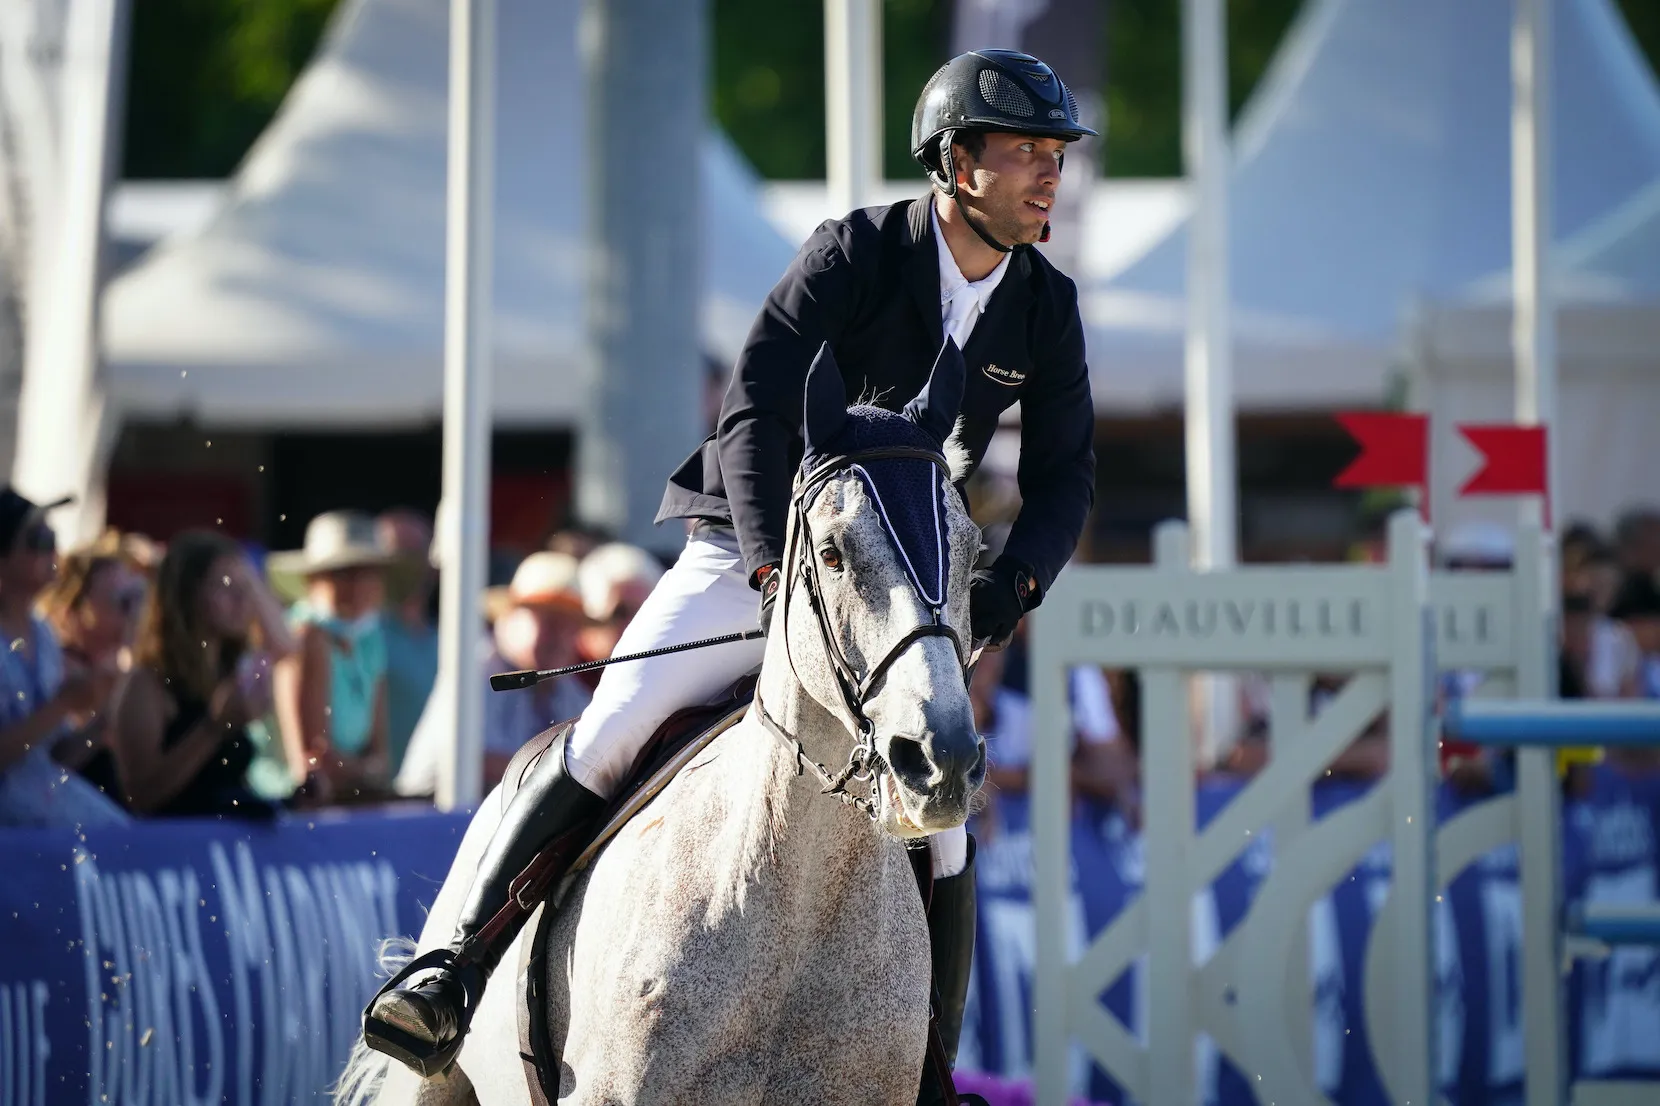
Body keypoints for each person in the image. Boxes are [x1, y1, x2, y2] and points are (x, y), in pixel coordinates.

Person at [364, 50, 1098, 1100]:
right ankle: (453, 975)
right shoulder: (854, 253)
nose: (1046, 174)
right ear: (954, 160)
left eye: (1054, 155)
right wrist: (763, 561)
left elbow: (1068, 475)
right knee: (619, 720)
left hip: (899, 589)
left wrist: (1005, 589)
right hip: (755, 546)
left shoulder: (1043, 304)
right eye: (1024, 152)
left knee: (943, 811)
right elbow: (754, 407)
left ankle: (926, 1064)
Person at [112, 530, 297, 817]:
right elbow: (140, 798)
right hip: (173, 855)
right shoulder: (147, 683)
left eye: (245, 587)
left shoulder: (229, 671)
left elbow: (285, 648)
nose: (241, 598)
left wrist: (296, 798)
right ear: (187, 593)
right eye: (225, 586)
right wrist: (212, 728)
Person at [0, 490, 129, 827]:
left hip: (41, 810)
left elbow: (54, 757)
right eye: (38, 539)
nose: (53, 549)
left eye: (53, 537)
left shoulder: (42, 634)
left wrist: (103, 718)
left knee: (128, 839)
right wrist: (62, 705)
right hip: (12, 832)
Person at [270, 511, 395, 805]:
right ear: (313, 579)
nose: (359, 584)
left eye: (368, 572)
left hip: (347, 801)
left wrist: (361, 769)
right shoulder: (306, 637)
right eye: (343, 572)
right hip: (289, 813)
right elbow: (311, 763)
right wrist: (364, 770)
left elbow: (380, 755)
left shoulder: (371, 640)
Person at [37, 534, 148, 802]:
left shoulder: (122, 665)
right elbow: (56, 763)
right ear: (72, 610)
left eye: (136, 598)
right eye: (121, 601)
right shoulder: (53, 669)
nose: (133, 613)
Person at [377, 508, 440, 774]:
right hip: (371, 802)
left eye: (412, 553)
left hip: (433, 804)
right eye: (392, 555)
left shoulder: (452, 643)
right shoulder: (362, 636)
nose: (402, 565)